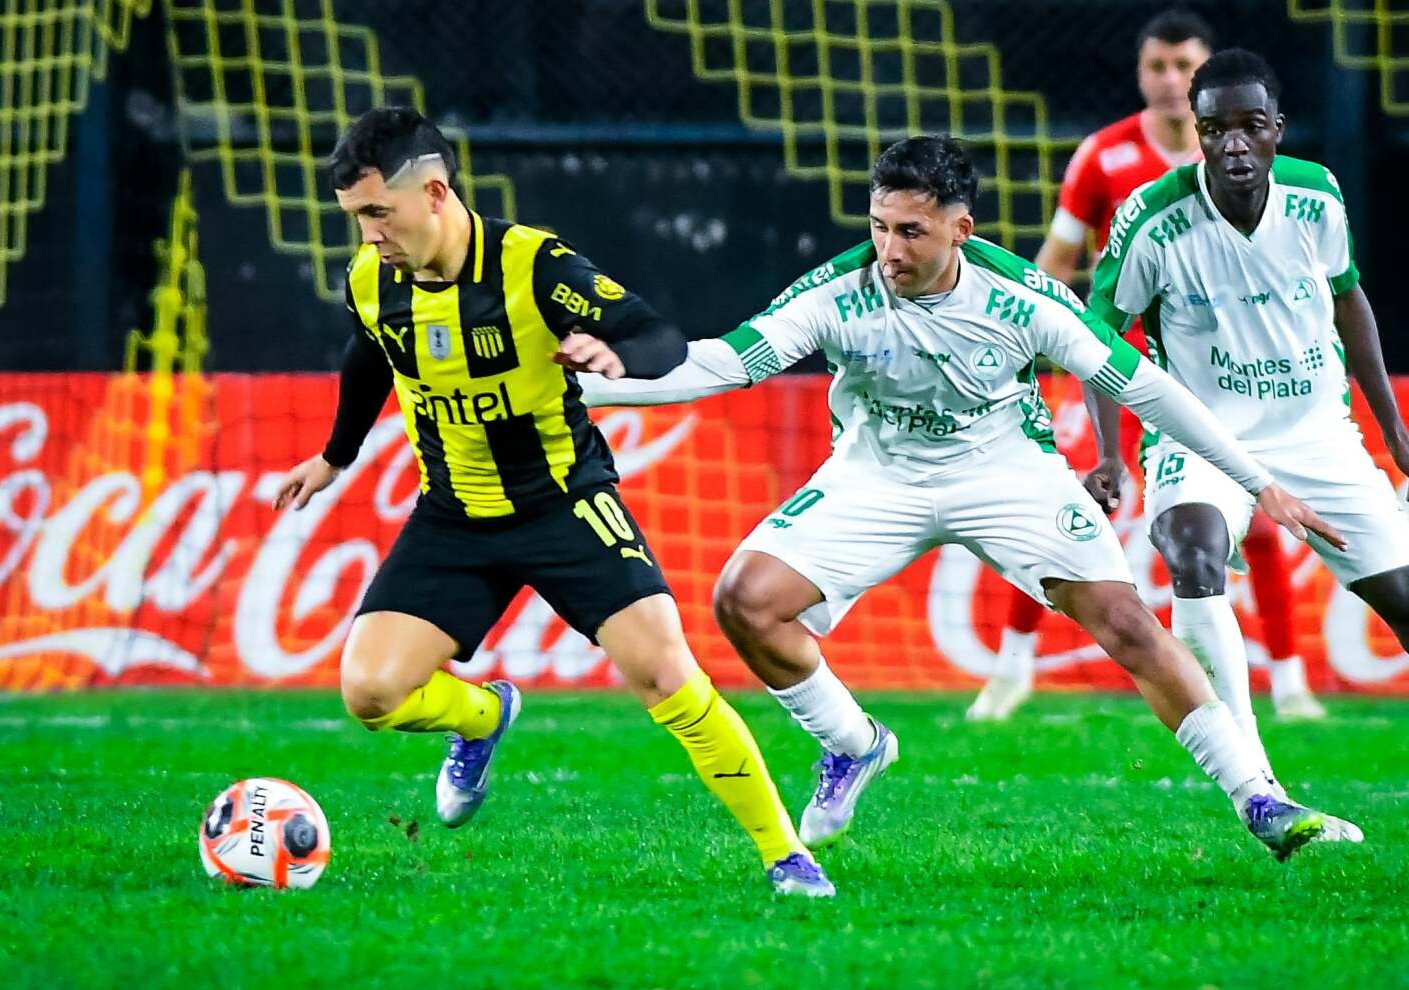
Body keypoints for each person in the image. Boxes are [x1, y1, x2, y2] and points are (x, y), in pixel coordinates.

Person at [578, 135, 1359, 861]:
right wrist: (592, 388)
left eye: (912, 232)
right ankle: (853, 743)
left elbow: (1145, 387)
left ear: (961, 228)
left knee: (1126, 622)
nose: (889, 250)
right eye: (880, 226)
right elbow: (728, 364)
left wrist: (1260, 483)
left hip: (1006, 469)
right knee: (744, 601)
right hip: (877, 472)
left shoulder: (1025, 300)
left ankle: (1258, 798)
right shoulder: (838, 290)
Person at [272, 106, 834, 897]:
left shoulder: (533, 265)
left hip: (564, 505)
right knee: (370, 693)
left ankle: (786, 856)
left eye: (377, 214)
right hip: (454, 515)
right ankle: (481, 718)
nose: (368, 236)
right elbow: (369, 350)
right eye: (355, 218)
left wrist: (617, 354)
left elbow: (657, 333)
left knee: (666, 673)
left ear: (434, 194)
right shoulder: (373, 278)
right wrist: (336, 456)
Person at [970, 9, 1322, 722]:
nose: (1169, 81)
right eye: (1156, 67)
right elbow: (1053, 267)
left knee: (1255, 516)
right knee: (1064, 503)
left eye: (1183, 67)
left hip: (1220, 375)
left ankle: (1290, 682)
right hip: (1117, 374)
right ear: (1140, 74)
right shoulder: (1103, 157)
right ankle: (1010, 670)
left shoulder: (1247, 158)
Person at [1087, 49, 1409, 822]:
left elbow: (1348, 298)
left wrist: (1394, 433)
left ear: (1276, 130)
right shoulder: (1151, 220)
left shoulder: (1316, 195)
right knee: (1192, 552)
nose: (1234, 143)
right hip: (1199, 436)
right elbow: (1097, 334)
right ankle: (1259, 787)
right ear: (1196, 134)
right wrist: (1105, 453)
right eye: (1216, 129)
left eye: (1250, 126)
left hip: (1316, 433)